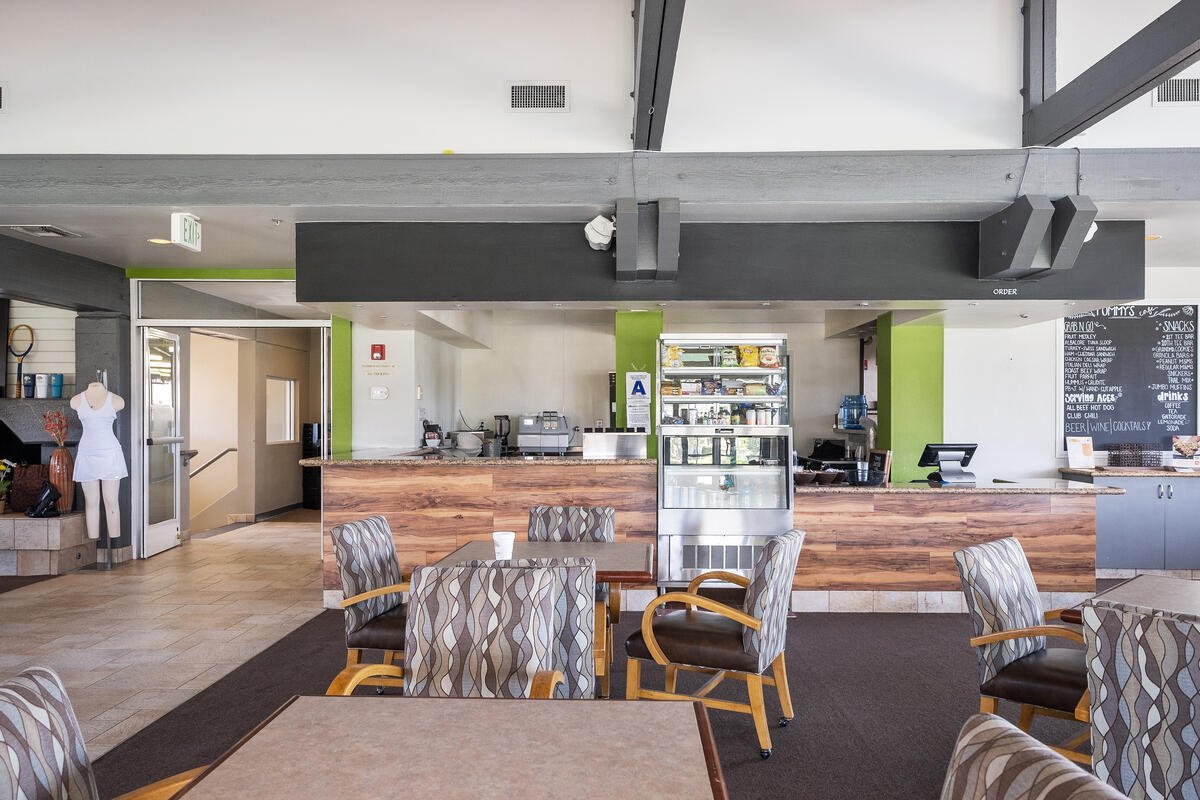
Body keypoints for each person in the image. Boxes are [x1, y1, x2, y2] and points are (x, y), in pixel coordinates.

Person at [69, 382, 127, 541]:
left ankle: (114, 535)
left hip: (110, 453)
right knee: (91, 501)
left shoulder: (116, 400)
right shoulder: (76, 400)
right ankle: (93, 535)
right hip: (87, 454)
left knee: (111, 500)